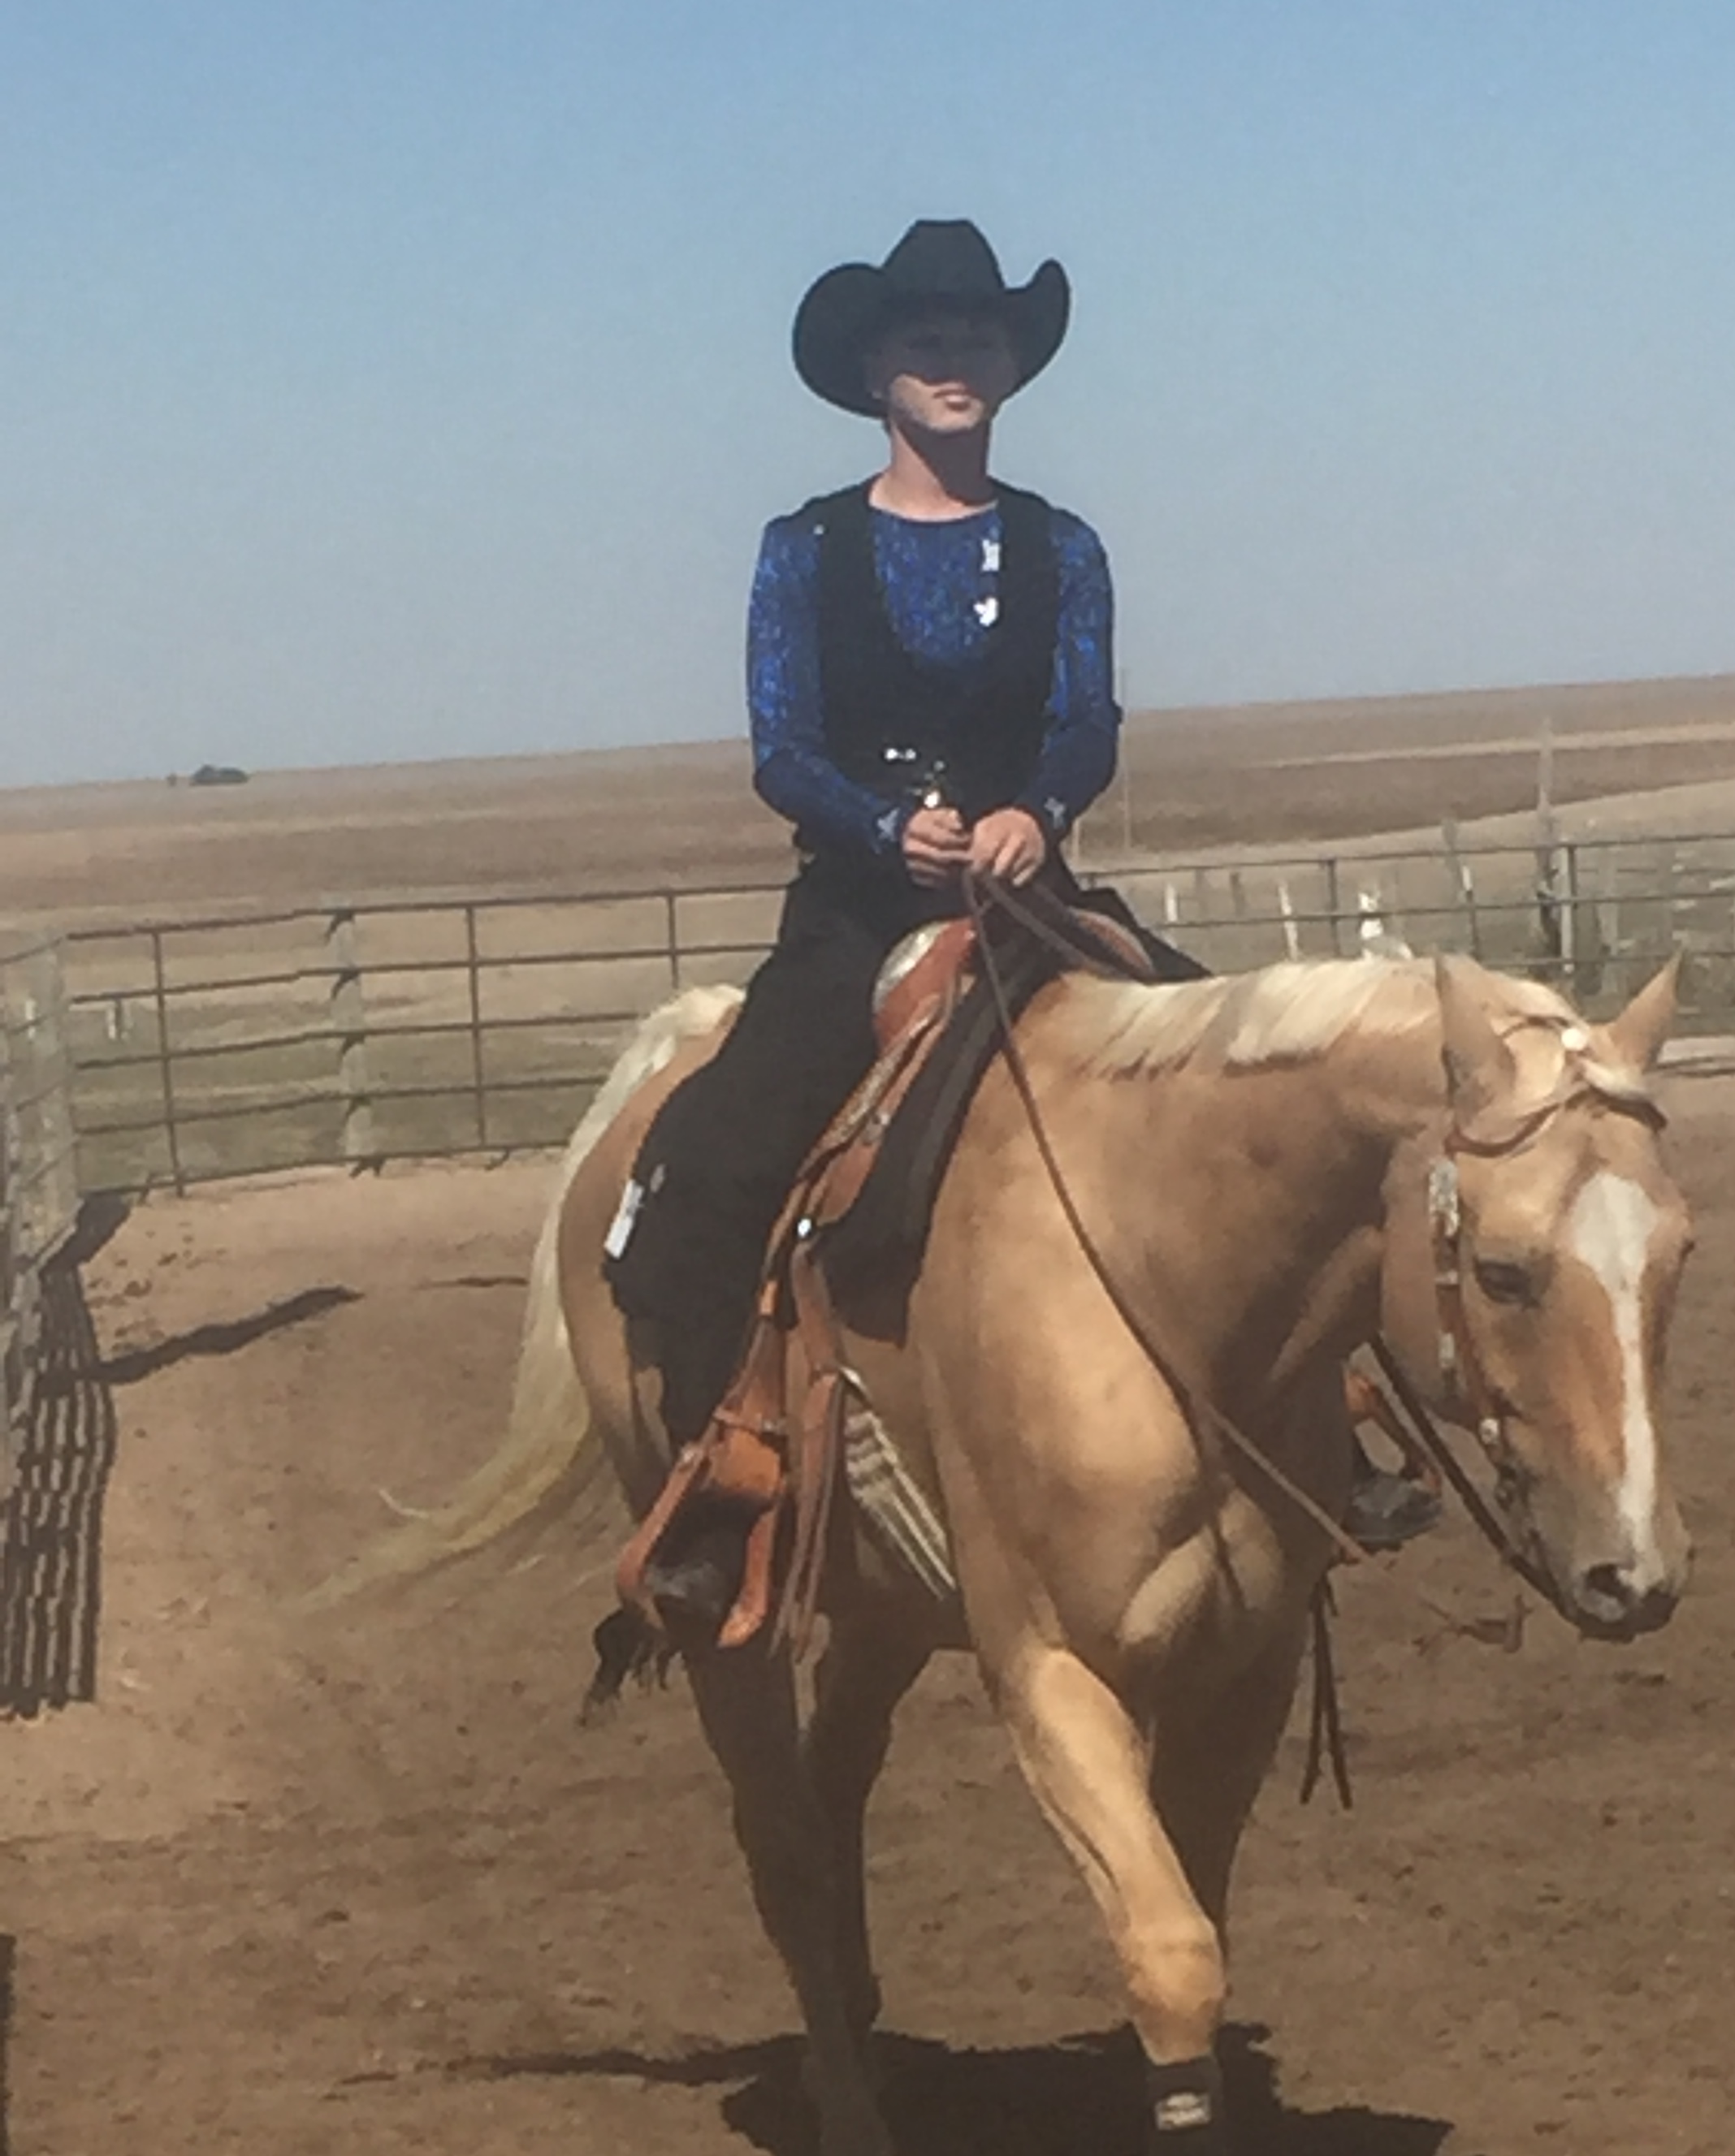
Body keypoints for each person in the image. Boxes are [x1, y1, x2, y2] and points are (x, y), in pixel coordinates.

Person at [608, 219, 1433, 1625]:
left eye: (977, 338)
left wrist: (1036, 812)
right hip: (858, 912)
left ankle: (1331, 1433)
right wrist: (886, 826)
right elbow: (781, 748)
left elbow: (1085, 723)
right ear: (874, 371)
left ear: (1011, 365)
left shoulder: (1065, 547)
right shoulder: (804, 549)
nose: (955, 361)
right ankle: (718, 1479)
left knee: (1255, 1101)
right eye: (925, 339)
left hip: (1032, 902)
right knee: (720, 1151)